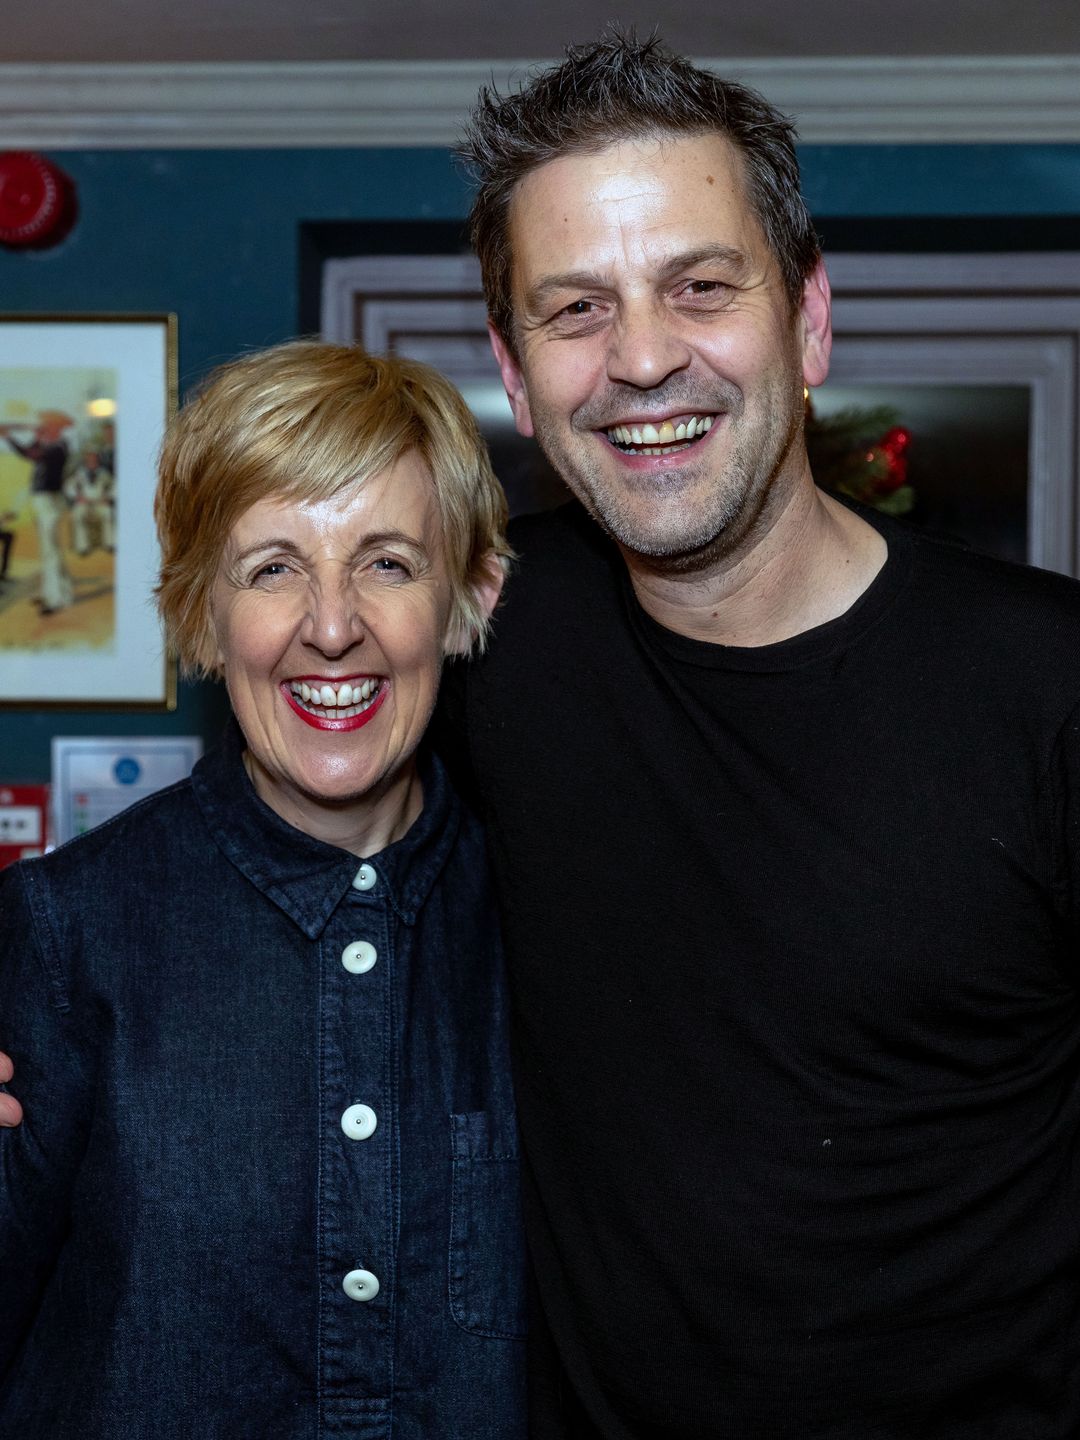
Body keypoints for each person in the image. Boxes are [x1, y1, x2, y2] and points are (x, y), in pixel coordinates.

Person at [6, 32, 1080, 1439]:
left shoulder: (1048, 687)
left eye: (700, 286)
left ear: (808, 322)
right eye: (577, 309)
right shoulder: (496, 640)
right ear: (517, 374)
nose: (642, 356)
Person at [0, 341, 525, 1437]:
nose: (331, 627)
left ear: (471, 596)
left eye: (387, 562)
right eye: (273, 567)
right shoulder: (65, 933)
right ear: (200, 609)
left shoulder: (550, 919)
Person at [0, 410, 75, 613]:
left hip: (49, 501)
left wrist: (9, 437)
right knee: (52, 550)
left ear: (55, 428)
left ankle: (54, 600)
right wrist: (23, 431)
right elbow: (31, 449)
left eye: (46, 425)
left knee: (50, 551)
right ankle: (63, 594)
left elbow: (30, 454)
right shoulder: (47, 443)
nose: (42, 428)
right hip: (43, 502)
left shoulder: (59, 447)